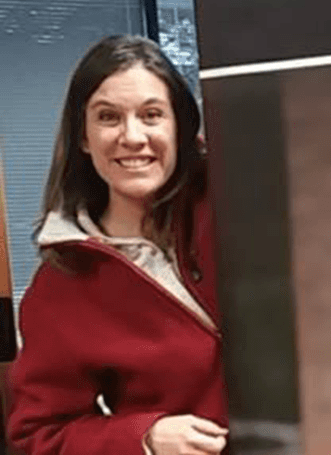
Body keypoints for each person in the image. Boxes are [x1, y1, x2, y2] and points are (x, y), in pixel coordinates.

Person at [5, 35, 229, 455]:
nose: (132, 136)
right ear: (84, 138)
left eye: (151, 115)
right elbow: (38, 435)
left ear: (179, 127)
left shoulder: (236, 202)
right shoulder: (61, 286)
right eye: (108, 117)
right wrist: (143, 438)